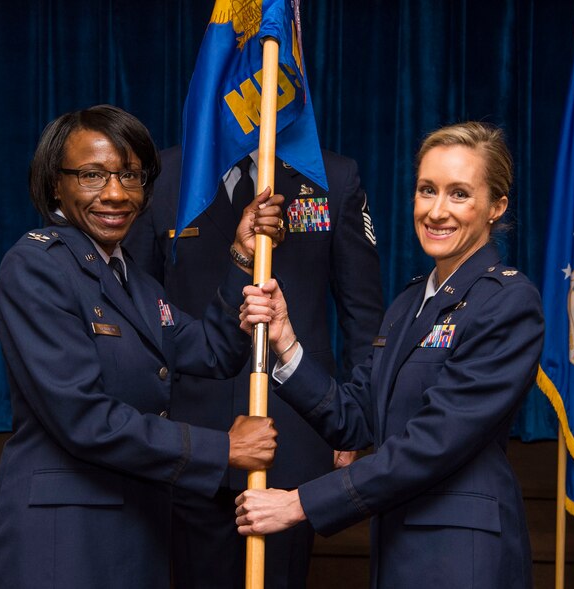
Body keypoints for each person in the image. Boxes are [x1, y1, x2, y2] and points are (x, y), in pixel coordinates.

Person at [0, 104, 286, 589]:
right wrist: (222, 448)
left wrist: (242, 254)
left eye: (131, 176)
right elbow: (84, 418)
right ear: (57, 183)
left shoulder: (134, 281)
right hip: (62, 539)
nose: (115, 194)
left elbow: (210, 351)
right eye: (92, 176)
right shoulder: (37, 267)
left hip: (134, 529)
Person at [236, 122, 545, 588]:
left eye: (459, 194)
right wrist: (285, 339)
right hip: (399, 545)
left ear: (495, 208)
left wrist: (299, 503)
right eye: (427, 190)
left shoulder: (508, 301)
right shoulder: (409, 303)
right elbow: (356, 418)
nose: (437, 211)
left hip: (463, 556)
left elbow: (434, 441)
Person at [124, 146, 384, 588]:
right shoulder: (164, 175)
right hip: (192, 426)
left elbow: (363, 312)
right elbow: (137, 306)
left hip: (297, 426)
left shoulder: (332, 177)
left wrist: (355, 419)